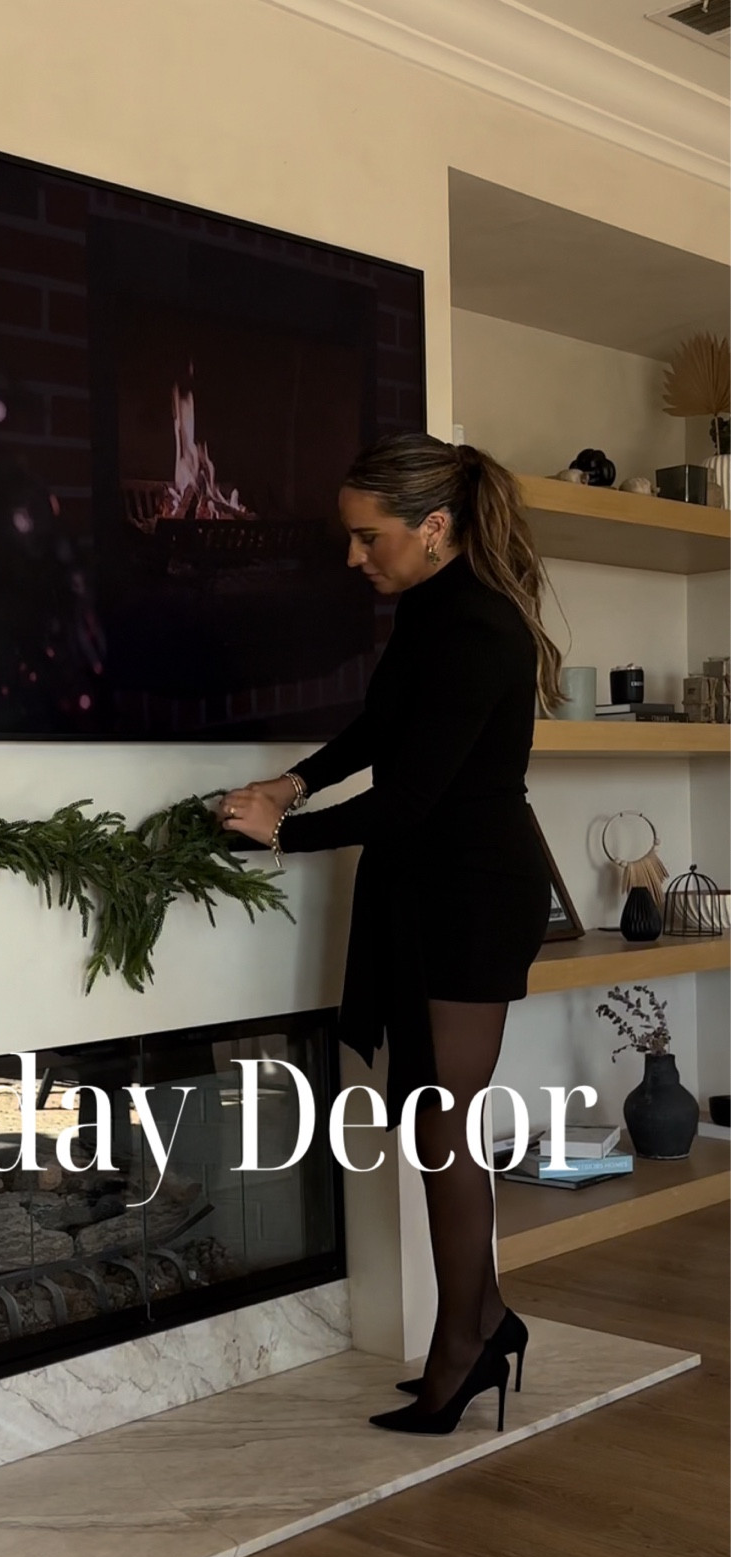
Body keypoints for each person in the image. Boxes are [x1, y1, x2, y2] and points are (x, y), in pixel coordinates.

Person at [219, 431, 561, 1436]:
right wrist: (293, 780)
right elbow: (381, 729)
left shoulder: (480, 627)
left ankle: (465, 1342)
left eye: (369, 537)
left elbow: (411, 796)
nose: (353, 556)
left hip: (469, 892)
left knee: (443, 1123)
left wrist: (281, 832)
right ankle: (482, 1323)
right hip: (429, 884)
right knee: (432, 1121)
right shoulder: (430, 612)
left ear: (435, 526)